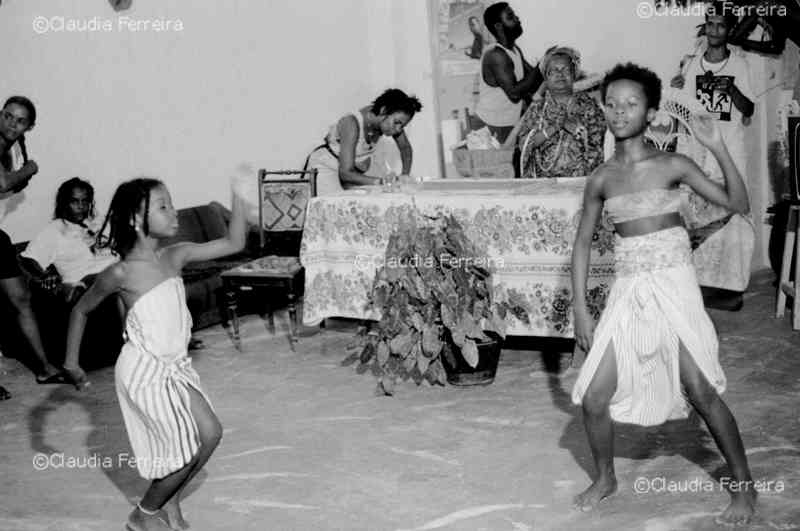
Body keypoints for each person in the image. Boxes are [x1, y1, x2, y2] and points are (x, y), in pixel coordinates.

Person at [569, 63, 756, 525]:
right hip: (629, 290)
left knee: (700, 390)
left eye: (631, 104)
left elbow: (738, 203)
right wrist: (581, 311)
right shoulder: (601, 178)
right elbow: (582, 244)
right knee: (593, 398)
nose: (619, 112)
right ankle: (606, 478)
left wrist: (716, 146)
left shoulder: (673, 165)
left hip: (674, 286)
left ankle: (745, 487)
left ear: (651, 112)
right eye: (612, 104)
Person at [63, 178, 247, 531]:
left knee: (210, 434)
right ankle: (144, 514)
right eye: (163, 206)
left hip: (175, 366)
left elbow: (234, 242)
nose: (174, 212)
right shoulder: (120, 272)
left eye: (171, 203)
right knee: (183, 453)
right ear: (136, 218)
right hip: (144, 371)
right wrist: (72, 362)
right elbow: (81, 310)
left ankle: (168, 498)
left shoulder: (176, 255)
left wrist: (239, 196)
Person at [671, 2, 756, 309]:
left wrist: (730, 90)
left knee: (733, 215)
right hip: (696, 152)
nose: (715, 30)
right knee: (693, 213)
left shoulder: (740, 64)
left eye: (721, 25)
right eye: (711, 24)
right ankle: (698, 287)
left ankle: (731, 290)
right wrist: (677, 87)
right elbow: (680, 108)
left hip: (729, 150)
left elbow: (749, 109)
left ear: (729, 29)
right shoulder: (691, 62)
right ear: (705, 27)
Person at [0, 95, 64, 385]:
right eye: (7, 116)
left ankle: (44, 368)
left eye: (20, 120)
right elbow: (4, 182)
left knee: (21, 297)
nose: (11, 124)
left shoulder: (13, 148)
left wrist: (21, 173)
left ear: (29, 127)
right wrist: (31, 168)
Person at [305, 89, 422, 196]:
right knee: (332, 205)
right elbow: (345, 173)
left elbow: (405, 148)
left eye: (402, 126)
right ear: (383, 110)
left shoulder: (390, 122)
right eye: (397, 122)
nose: (398, 129)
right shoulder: (351, 123)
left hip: (352, 172)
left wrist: (404, 176)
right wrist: (381, 182)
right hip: (327, 168)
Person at [22, 177, 118, 304]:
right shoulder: (54, 230)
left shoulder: (100, 222)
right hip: (87, 286)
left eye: (85, 201)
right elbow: (28, 259)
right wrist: (45, 275)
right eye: (74, 201)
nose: (81, 206)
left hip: (117, 275)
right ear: (64, 203)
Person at [515, 47, 605, 179]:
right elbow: (524, 145)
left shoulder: (590, 107)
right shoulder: (537, 109)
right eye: (553, 71)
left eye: (566, 70)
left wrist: (576, 129)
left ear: (574, 74)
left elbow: (600, 145)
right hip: (542, 184)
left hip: (580, 183)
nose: (560, 74)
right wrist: (554, 128)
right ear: (546, 77)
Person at [474, 2, 545, 143]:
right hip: (491, 127)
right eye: (510, 16)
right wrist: (542, 65)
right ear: (499, 26)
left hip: (506, 124)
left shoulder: (514, 49)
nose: (517, 19)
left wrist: (553, 69)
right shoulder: (495, 55)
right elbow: (514, 94)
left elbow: (533, 78)